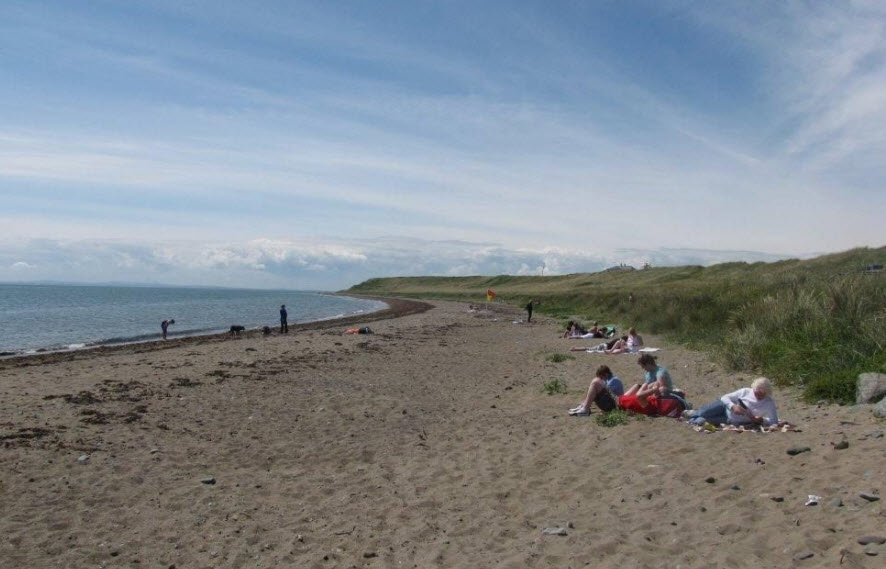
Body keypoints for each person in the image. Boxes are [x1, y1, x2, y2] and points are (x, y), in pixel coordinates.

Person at [685, 377, 779, 427]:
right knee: (703, 412)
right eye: (756, 393)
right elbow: (725, 397)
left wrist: (762, 420)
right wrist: (733, 406)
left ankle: (691, 417)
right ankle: (693, 413)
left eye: (761, 394)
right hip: (724, 407)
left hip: (731, 420)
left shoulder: (769, 402)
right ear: (753, 389)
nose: (758, 396)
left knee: (700, 421)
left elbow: (774, 421)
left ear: (767, 393)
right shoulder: (745, 391)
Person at [616, 382, 685, 418]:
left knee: (656, 386)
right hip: (621, 401)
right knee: (658, 387)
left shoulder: (650, 406)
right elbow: (639, 395)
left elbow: (638, 391)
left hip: (620, 401)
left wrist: (652, 389)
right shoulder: (650, 408)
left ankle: (675, 392)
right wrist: (653, 389)